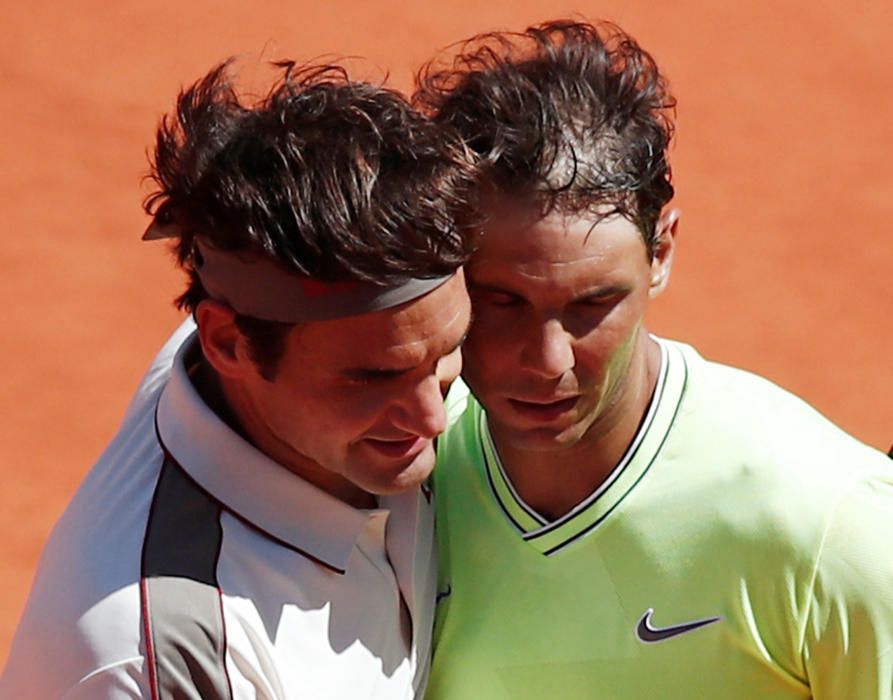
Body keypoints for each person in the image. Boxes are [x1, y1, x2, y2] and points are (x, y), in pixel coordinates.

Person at [414, 20, 893, 698]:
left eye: (590, 306)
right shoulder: (392, 485)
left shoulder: (826, 525)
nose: (547, 361)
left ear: (660, 253)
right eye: (501, 302)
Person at [1, 59, 475, 698]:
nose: (433, 418)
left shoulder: (287, 365)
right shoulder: (168, 656)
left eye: (448, 352)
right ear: (227, 342)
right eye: (374, 377)